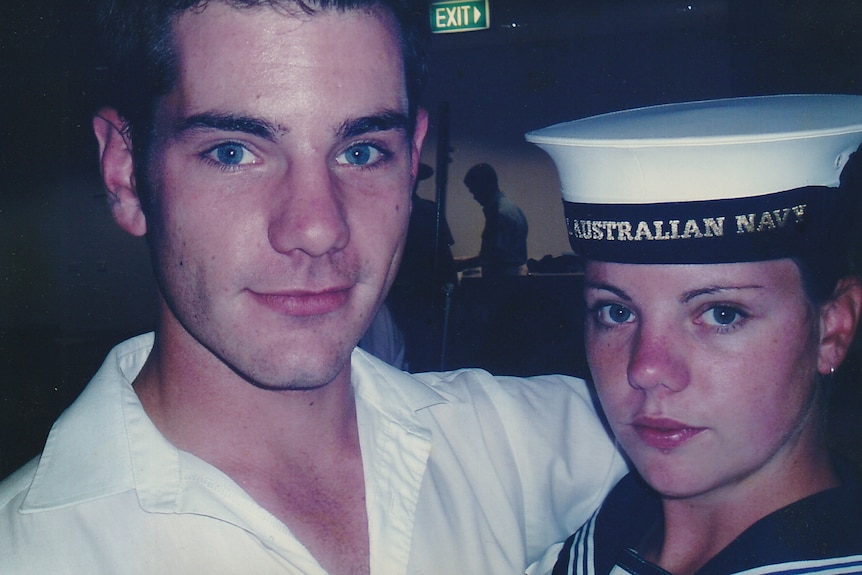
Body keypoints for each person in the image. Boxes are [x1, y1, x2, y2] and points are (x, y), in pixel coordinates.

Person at [0, 1, 626, 573]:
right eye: (231, 153)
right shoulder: (35, 549)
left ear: (412, 161)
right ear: (126, 174)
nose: (317, 228)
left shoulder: (519, 450)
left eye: (361, 152)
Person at [525, 94, 862, 575]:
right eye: (616, 312)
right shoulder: (595, 538)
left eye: (721, 314)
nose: (646, 369)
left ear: (832, 329)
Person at [386, 162, 457, 371]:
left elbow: (443, 254)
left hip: (417, 292)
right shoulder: (422, 210)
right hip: (406, 292)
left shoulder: (426, 210)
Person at [456, 163, 528, 278]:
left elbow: (496, 256)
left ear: (484, 186)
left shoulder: (500, 213)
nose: (474, 197)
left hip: (502, 280)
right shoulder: (510, 208)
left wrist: (462, 263)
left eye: (474, 191)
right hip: (509, 276)